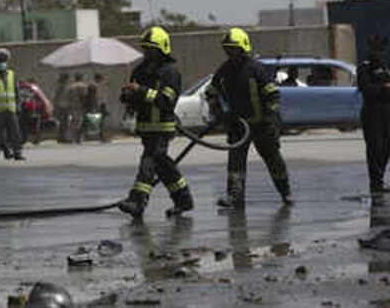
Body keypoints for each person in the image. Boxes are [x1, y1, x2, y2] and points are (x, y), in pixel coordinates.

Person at [206, 28, 292, 208]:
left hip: (262, 124)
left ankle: (285, 192)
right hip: (238, 125)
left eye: (233, 48)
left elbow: (273, 96)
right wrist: (217, 111)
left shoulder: (256, 69)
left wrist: (270, 119)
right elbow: (211, 93)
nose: (230, 52)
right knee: (235, 162)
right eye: (227, 48)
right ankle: (235, 197)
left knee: (273, 159)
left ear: (243, 48)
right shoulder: (224, 70)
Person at [118, 26, 194, 219]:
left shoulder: (170, 72)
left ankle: (137, 201)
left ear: (162, 48)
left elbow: (167, 101)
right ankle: (183, 199)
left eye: (151, 48)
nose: (147, 52)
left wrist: (141, 91)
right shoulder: (140, 70)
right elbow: (135, 97)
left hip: (162, 127)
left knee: (149, 163)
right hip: (145, 127)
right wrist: (128, 97)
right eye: (145, 48)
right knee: (162, 165)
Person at [357, 35, 390, 195]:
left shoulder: (383, 66)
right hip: (371, 112)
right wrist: (386, 88)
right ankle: (375, 183)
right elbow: (365, 89)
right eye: (378, 50)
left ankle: (380, 179)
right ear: (372, 50)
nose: (381, 53)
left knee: (386, 148)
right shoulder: (365, 67)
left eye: (382, 50)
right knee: (375, 148)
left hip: (384, 111)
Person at [0, 48, 24, 161]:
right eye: (0, 60)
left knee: (15, 133)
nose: (2, 62)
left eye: (4, 60)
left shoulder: (12, 75)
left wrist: (18, 105)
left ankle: (17, 152)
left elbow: (17, 91)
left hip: (11, 109)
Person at [68, 73, 88, 144]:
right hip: (80, 106)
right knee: (80, 122)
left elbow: (69, 97)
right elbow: (84, 97)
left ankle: (72, 137)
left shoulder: (71, 86)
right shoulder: (83, 86)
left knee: (74, 121)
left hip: (73, 105)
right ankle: (78, 138)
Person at [53, 73, 72, 143]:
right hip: (62, 106)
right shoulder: (62, 87)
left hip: (63, 106)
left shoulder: (64, 86)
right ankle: (63, 137)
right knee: (64, 123)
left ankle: (62, 137)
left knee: (64, 123)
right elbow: (56, 97)